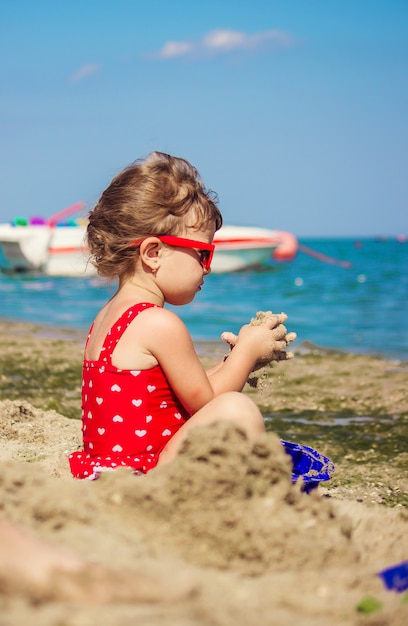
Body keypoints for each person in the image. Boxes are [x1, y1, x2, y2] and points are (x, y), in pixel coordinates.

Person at [68, 151, 295, 480]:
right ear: (154, 253)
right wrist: (246, 353)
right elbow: (206, 404)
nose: (209, 267)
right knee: (237, 410)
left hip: (106, 471)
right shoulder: (158, 323)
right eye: (203, 252)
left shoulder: (110, 316)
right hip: (142, 477)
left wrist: (239, 359)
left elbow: (182, 391)